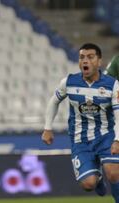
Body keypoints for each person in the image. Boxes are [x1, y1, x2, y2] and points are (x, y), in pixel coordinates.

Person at [42, 43, 119, 202]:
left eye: (90, 57)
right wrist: (47, 128)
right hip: (80, 140)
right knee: (88, 184)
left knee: (114, 173)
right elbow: (53, 101)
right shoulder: (69, 82)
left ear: (99, 62)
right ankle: (97, 180)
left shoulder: (112, 85)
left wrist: (117, 139)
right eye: (82, 57)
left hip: (106, 136)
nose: (85, 61)